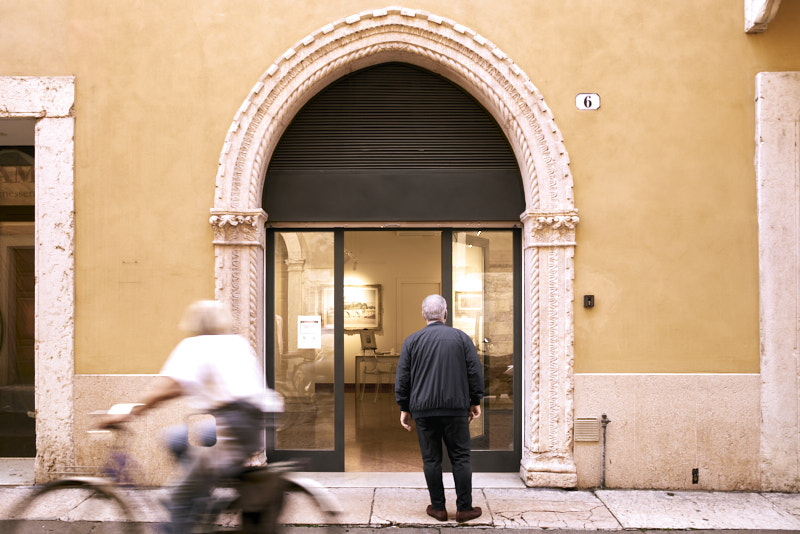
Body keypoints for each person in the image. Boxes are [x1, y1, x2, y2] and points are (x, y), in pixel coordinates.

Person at [98, 300, 283, 534]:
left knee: (178, 496)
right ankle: (204, 494)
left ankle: (188, 503)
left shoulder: (194, 346)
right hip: (254, 425)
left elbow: (164, 388)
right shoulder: (237, 343)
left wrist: (129, 412)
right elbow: (180, 387)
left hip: (233, 428)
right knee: (174, 436)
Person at [394, 294, 484, 523]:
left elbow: (403, 377)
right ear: (445, 313)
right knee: (461, 458)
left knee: (431, 460)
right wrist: (475, 401)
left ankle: (438, 508)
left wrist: (404, 407)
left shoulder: (412, 341)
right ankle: (464, 508)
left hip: (424, 411)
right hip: (455, 409)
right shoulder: (462, 338)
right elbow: (474, 372)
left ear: (424, 314)